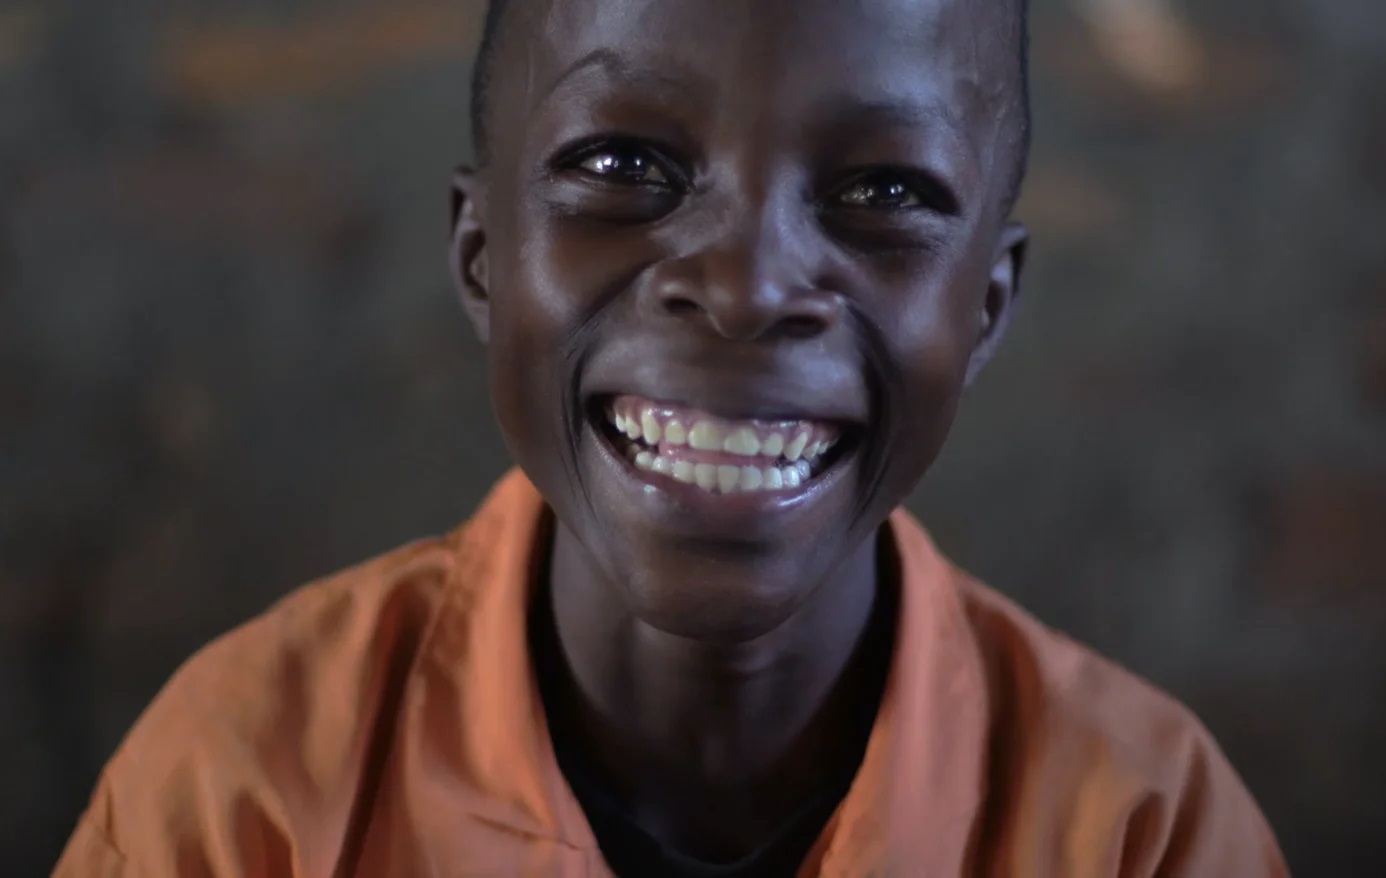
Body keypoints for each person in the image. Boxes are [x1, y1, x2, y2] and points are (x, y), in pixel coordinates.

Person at [54, 0, 1289, 874]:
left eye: (885, 191)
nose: (749, 283)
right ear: (483, 258)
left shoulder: (1141, 827)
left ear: (986, 307)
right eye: (620, 161)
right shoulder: (243, 790)